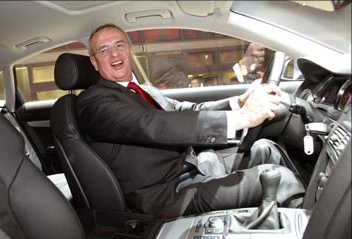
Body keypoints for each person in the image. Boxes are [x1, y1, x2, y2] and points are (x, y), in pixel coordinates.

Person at [75, 23, 304, 217]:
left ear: (130, 50)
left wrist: (239, 103)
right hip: (166, 191)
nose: (114, 54)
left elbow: (189, 110)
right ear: (95, 63)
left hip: (193, 166)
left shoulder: (144, 90)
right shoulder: (93, 102)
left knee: (266, 149)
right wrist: (239, 119)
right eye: (104, 50)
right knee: (280, 179)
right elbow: (148, 124)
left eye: (119, 45)